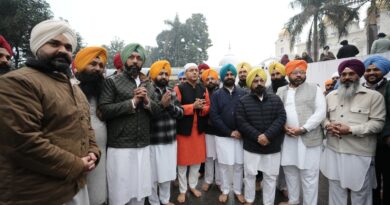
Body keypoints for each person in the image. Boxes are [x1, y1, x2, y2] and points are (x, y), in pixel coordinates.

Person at [0, 19, 100, 205]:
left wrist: (93, 151)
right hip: (38, 193)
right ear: (38, 46)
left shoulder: (74, 88)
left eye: (68, 47)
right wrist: (78, 165)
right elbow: (23, 143)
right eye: (54, 43)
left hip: (74, 185)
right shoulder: (17, 82)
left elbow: (86, 126)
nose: (63, 50)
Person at [99, 43, 161, 205]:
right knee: (120, 189)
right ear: (125, 59)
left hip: (143, 144)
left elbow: (158, 111)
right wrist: (132, 102)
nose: (135, 61)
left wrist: (147, 100)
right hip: (120, 145)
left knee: (139, 189)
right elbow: (104, 110)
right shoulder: (112, 81)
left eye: (139, 58)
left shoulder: (147, 84)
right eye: (131, 57)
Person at [320, 59, 386, 205]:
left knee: (360, 192)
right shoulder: (331, 96)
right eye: (343, 74)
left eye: (351, 74)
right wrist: (328, 126)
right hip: (334, 150)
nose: (347, 77)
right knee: (336, 190)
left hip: (360, 153)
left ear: (359, 75)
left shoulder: (374, 96)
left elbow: (378, 123)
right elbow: (323, 118)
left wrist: (350, 130)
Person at [277, 60, 326, 205]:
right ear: (288, 74)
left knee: (309, 174)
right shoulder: (281, 91)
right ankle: (293, 201)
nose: (299, 75)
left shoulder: (314, 88)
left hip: (309, 138)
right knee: (290, 170)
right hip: (288, 139)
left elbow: (320, 112)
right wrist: (283, 127)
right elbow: (277, 112)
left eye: (302, 72)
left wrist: (303, 128)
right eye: (295, 72)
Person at [235, 68, 286, 205]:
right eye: (255, 81)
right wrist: (258, 136)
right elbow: (241, 122)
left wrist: (267, 136)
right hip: (252, 146)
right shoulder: (243, 101)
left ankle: (268, 202)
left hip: (272, 145)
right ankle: (250, 200)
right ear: (251, 83)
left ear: (265, 81)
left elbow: (281, 118)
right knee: (250, 175)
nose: (259, 83)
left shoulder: (275, 99)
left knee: (270, 177)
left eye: (261, 80)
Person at [73, 46, 108, 205]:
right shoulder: (70, 88)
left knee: (99, 188)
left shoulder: (104, 90)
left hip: (102, 147)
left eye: (101, 66)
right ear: (81, 65)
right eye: (92, 64)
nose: (97, 69)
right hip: (76, 148)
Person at [148, 60, 183, 205]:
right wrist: (162, 105)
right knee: (153, 174)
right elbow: (148, 114)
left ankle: (165, 199)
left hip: (170, 140)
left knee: (167, 172)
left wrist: (169, 107)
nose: (164, 76)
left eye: (166, 74)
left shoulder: (172, 92)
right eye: (161, 73)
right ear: (154, 75)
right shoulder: (148, 91)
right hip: (153, 139)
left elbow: (180, 113)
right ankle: (154, 201)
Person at [210, 64, 246, 203]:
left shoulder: (243, 93)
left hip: (240, 136)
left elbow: (246, 114)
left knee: (239, 165)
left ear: (235, 76)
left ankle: (237, 190)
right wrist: (230, 132)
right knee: (224, 165)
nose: (229, 76)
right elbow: (214, 116)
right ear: (222, 77)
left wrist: (240, 131)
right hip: (223, 136)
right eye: (227, 74)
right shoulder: (216, 95)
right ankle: (225, 190)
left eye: (232, 74)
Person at [174, 63, 210, 203]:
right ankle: (182, 190)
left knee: (195, 162)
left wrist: (202, 108)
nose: (195, 73)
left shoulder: (203, 88)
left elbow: (208, 106)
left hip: (198, 131)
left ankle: (193, 186)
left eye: (196, 71)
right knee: (182, 163)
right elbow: (175, 107)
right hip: (184, 131)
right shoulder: (179, 88)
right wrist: (192, 107)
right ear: (185, 73)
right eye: (191, 71)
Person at [362, 56, 390, 205]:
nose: (371, 73)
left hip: (384, 142)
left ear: (384, 71)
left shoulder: (388, 87)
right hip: (363, 142)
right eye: (368, 70)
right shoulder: (357, 89)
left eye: (376, 69)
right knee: (370, 181)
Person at [200, 68, 221, 192]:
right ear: (204, 82)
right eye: (207, 79)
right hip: (207, 130)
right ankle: (208, 180)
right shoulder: (201, 92)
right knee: (208, 157)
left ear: (217, 80)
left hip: (220, 130)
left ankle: (219, 181)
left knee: (219, 157)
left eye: (212, 78)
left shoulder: (221, 92)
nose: (210, 81)